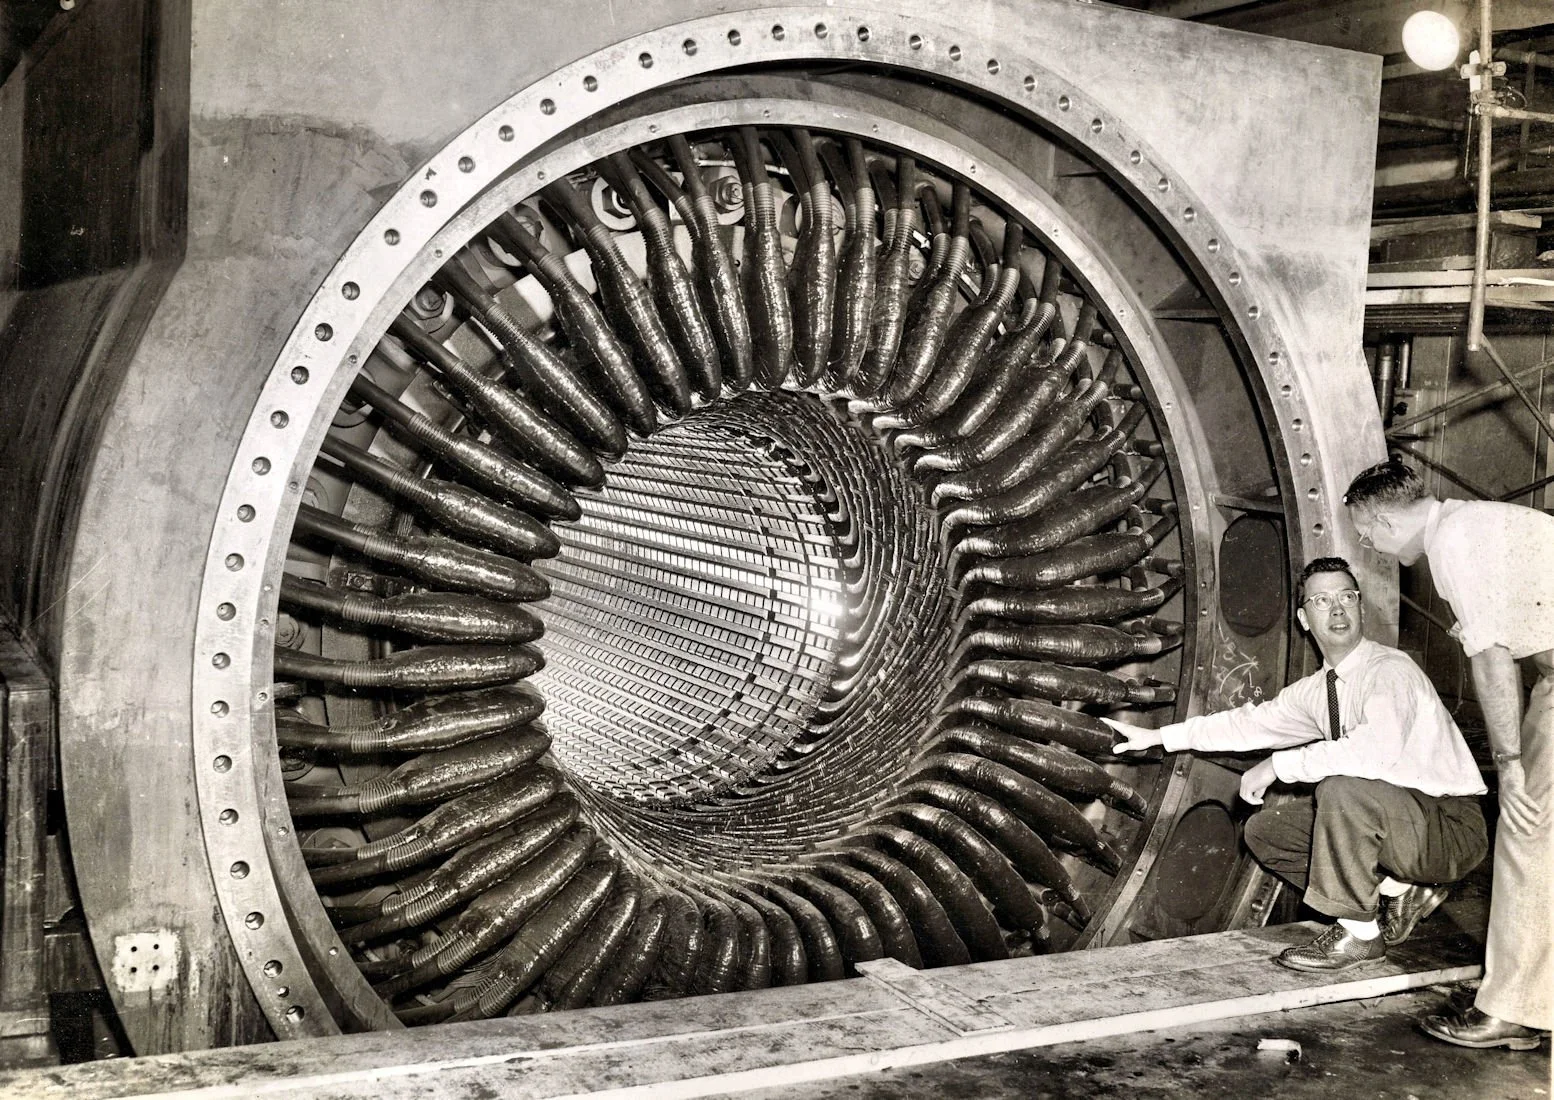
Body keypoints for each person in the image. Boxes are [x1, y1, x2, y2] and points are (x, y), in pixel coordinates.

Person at [1104, 557, 1487, 972]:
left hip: (1450, 827)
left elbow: (1372, 754)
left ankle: (1359, 935)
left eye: (1346, 597)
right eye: (1322, 600)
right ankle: (1394, 890)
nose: (1337, 609)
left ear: (1361, 607)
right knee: (1266, 831)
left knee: (1339, 789)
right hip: (1401, 826)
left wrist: (1276, 766)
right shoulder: (1319, 690)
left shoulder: (1390, 671)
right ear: (1305, 619)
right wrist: (1160, 737)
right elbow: (1249, 724)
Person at [1345, 459, 1552, 1050]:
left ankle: (1510, 1011)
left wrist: (1510, 767)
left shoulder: (1453, 545)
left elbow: (1491, 661)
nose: (1365, 541)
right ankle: (1526, 995)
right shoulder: (1471, 522)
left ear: (1382, 519)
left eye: (1363, 530)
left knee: (1527, 839)